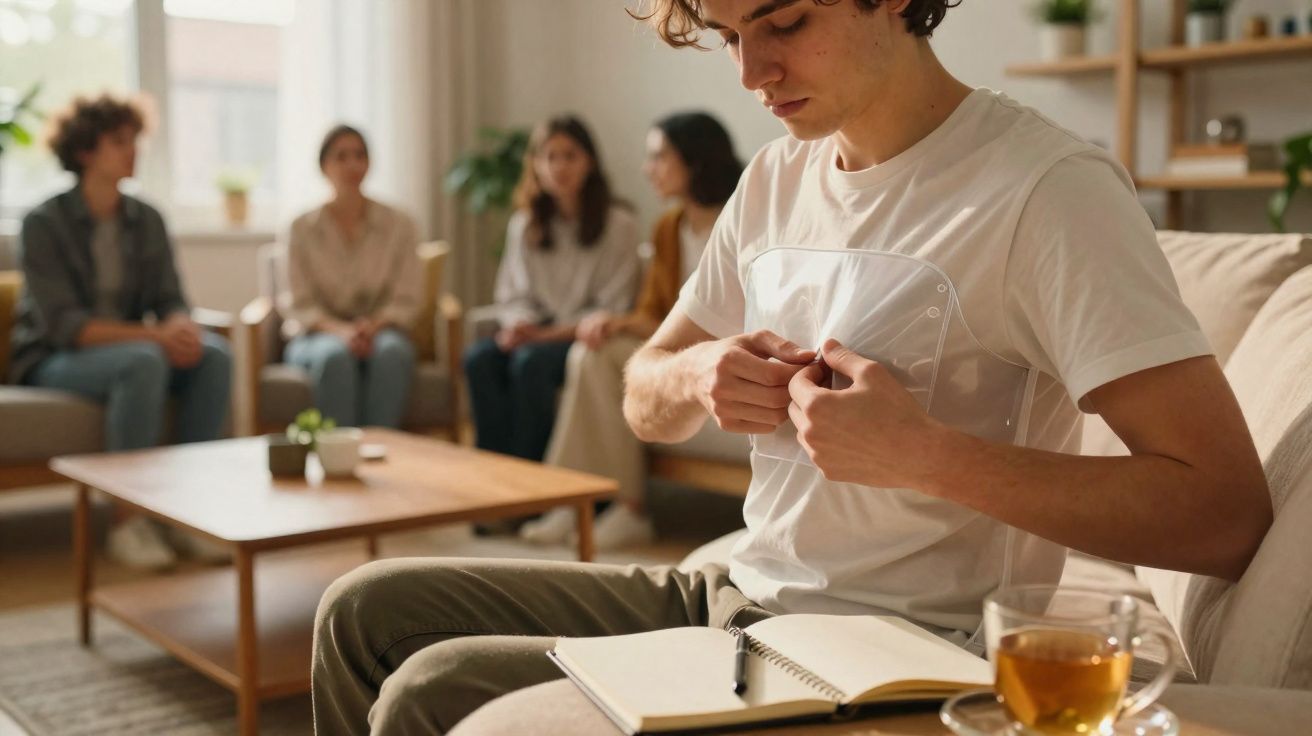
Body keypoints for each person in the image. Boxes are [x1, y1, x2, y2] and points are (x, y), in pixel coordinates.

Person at [312, 2, 1273, 732]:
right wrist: (698, 378)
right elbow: (645, 386)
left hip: (893, 647)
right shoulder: (775, 178)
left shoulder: (1045, 192)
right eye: (727, 33)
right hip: (737, 592)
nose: (750, 72)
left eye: (783, 22)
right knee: (359, 609)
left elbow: (1222, 512)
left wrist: (927, 457)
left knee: (429, 691)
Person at [10, 94, 232, 569]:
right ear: (85, 151)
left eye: (135, 140)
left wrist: (179, 327)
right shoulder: (42, 224)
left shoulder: (146, 220)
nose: (133, 150)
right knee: (144, 361)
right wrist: (155, 338)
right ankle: (128, 521)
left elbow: (170, 299)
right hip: (53, 359)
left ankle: (187, 515)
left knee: (214, 355)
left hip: (132, 354)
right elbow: (65, 326)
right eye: (119, 141)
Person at [521, 111, 743, 549]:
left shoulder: (741, 217)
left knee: (599, 358)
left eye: (659, 157)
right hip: (681, 350)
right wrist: (613, 323)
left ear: (696, 161)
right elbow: (655, 314)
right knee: (590, 353)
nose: (648, 169)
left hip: (725, 353)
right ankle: (579, 501)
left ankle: (612, 506)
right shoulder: (668, 229)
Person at [462, 115, 640, 462]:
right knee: (478, 359)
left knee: (530, 364)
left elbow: (614, 308)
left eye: (570, 156)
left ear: (589, 161)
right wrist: (519, 324)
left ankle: (533, 486)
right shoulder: (525, 224)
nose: (559, 166)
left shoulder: (620, 224)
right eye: (549, 157)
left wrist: (543, 336)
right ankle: (493, 478)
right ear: (536, 166)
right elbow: (511, 295)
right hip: (536, 332)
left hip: (583, 338)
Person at [283, 125, 422, 428]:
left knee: (391, 354)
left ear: (369, 163)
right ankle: (338, 459)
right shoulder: (301, 229)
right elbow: (299, 304)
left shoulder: (400, 225)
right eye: (341, 156)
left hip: (382, 329)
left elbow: (406, 298)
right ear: (324, 166)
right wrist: (342, 331)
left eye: (359, 156)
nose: (352, 165)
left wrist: (371, 326)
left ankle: (381, 450)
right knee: (335, 358)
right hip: (318, 335)